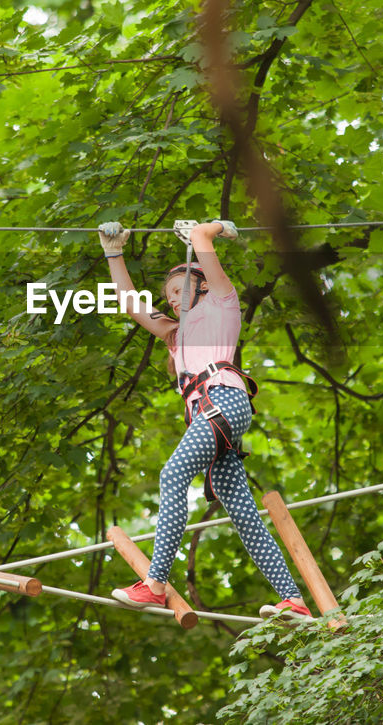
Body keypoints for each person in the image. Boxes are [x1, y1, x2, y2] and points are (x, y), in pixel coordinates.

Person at [97, 218, 311, 620]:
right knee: (241, 511)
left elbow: (203, 242)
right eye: (168, 296)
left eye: (179, 290)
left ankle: (155, 584)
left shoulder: (221, 305)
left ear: (204, 286)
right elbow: (129, 302)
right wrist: (114, 252)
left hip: (223, 402)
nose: (172, 300)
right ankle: (293, 600)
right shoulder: (176, 335)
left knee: (172, 475)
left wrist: (210, 230)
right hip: (209, 415)